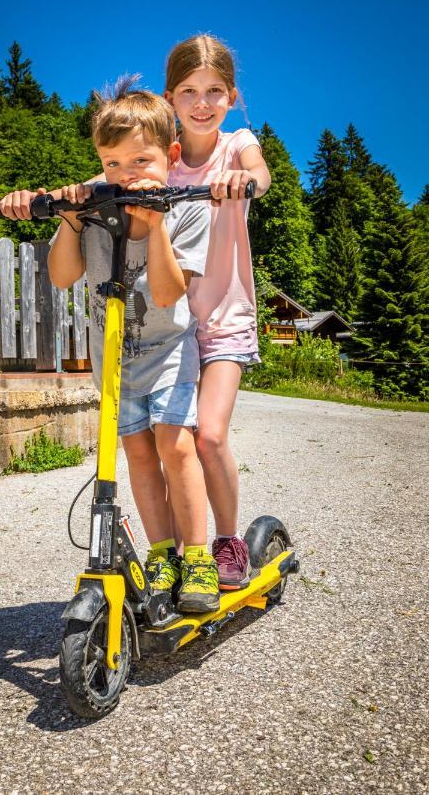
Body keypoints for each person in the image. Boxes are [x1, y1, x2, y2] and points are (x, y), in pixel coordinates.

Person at [0, 78, 220, 613]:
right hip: (114, 363)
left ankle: (197, 558)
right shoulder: (95, 209)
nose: (127, 175)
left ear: (170, 155)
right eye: (113, 164)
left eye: (141, 161)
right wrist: (72, 220)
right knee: (140, 457)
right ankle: (162, 552)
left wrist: (155, 224)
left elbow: (169, 293)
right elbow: (60, 276)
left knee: (177, 447)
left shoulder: (187, 207)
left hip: (169, 356)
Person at [164, 34, 271, 590]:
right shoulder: (164, 160)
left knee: (209, 435)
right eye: (188, 91)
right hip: (172, 325)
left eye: (213, 91)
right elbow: (114, 178)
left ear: (231, 96)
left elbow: (262, 173)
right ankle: (188, 545)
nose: (201, 103)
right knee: (173, 442)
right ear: (170, 98)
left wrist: (244, 180)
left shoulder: (236, 147)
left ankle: (228, 540)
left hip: (226, 318)